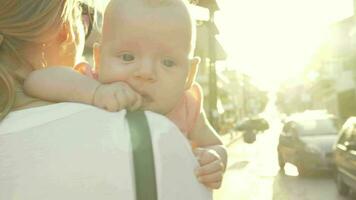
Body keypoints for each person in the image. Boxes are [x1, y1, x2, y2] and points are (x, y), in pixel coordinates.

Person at [0, 0, 213, 199]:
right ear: (99, 59)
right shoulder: (90, 86)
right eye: (127, 57)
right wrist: (95, 92)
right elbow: (36, 81)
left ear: (190, 73)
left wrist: (214, 157)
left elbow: (213, 144)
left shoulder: (188, 105)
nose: (145, 72)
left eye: (167, 62)